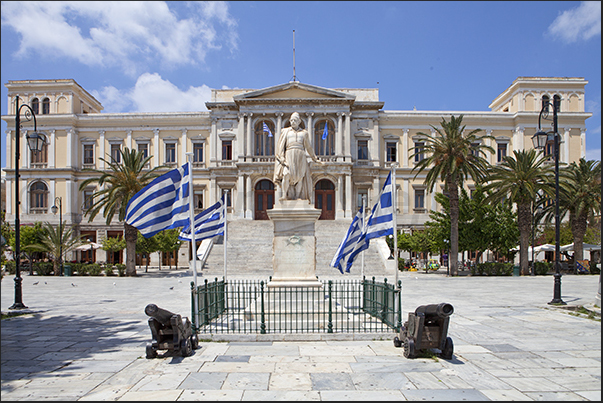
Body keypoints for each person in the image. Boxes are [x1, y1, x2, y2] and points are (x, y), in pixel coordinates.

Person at [274, 112, 322, 202]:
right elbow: (280, 146)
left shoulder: (304, 133)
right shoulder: (285, 132)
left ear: (299, 121)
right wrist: (281, 158)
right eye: (291, 120)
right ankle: (284, 195)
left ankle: (297, 196)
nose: (292, 122)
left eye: (295, 120)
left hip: (301, 156)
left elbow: (309, 147)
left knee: (300, 177)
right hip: (289, 155)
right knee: (286, 174)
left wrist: (314, 158)